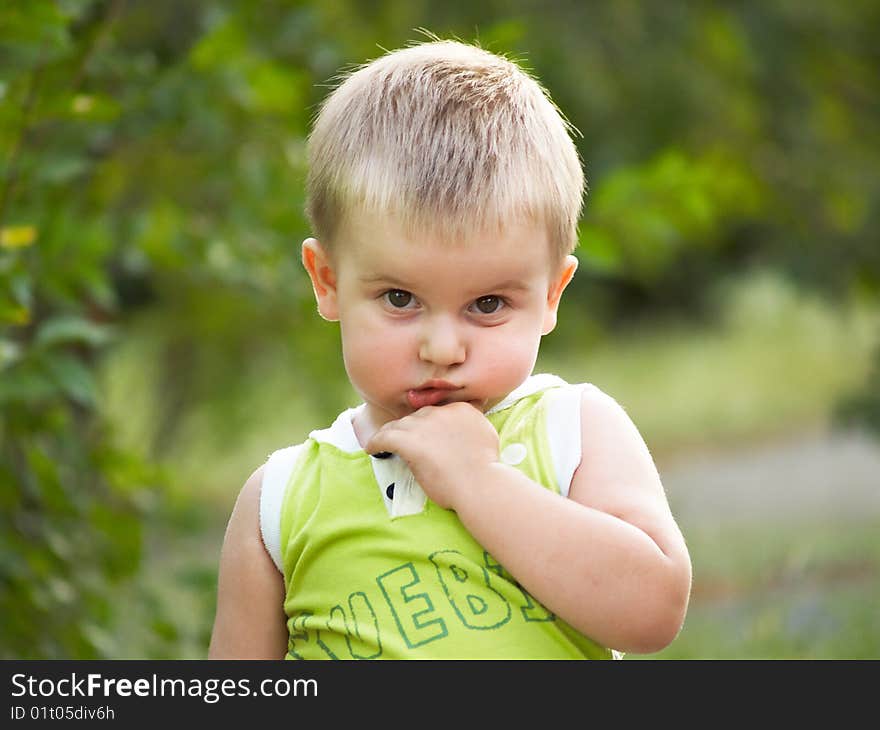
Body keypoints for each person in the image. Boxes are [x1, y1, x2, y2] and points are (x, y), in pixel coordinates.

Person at [208, 37, 691, 660]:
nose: (442, 348)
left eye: (487, 305)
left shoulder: (573, 434)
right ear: (327, 281)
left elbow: (652, 613)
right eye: (400, 299)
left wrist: (479, 480)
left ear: (551, 295)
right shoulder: (278, 504)